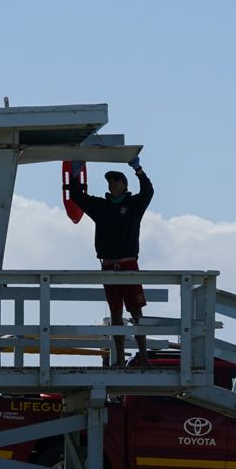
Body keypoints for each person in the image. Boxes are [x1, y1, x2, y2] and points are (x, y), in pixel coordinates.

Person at [66, 156, 154, 366]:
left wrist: (138, 169)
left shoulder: (134, 205)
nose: (112, 183)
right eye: (110, 180)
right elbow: (77, 196)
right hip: (108, 266)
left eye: (116, 180)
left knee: (136, 311)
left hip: (129, 264)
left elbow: (148, 191)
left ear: (125, 185)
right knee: (116, 312)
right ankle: (121, 358)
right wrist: (76, 174)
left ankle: (144, 356)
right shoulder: (101, 206)